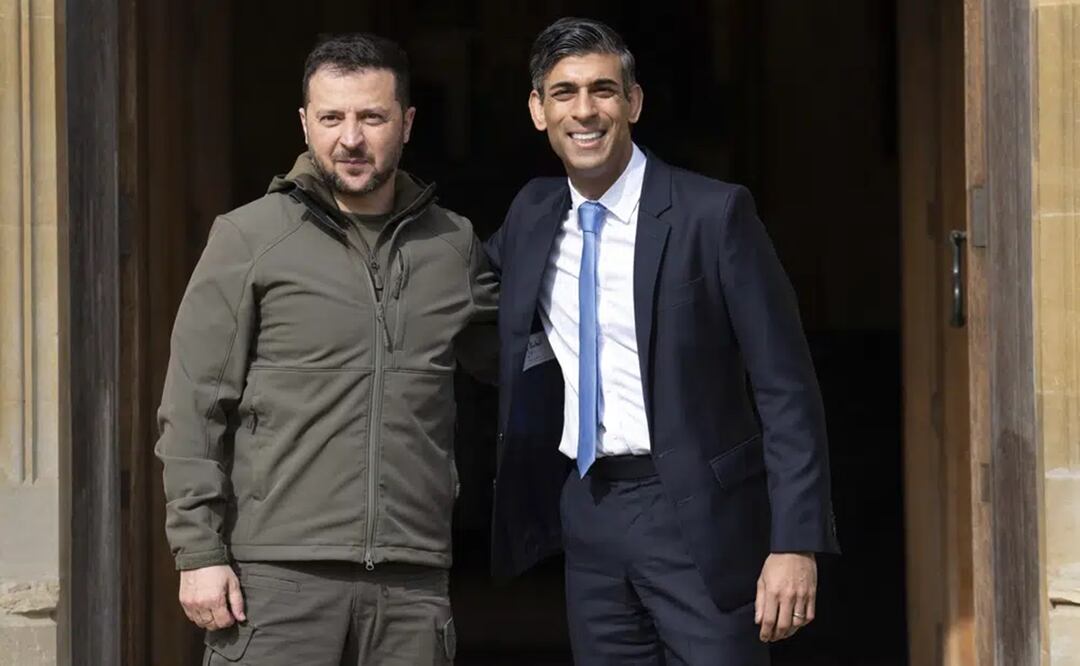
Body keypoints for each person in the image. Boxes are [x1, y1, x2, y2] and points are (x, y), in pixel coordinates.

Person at [486, 17, 840, 665]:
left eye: (603, 90)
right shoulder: (531, 215)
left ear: (635, 102)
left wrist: (795, 541)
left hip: (700, 520)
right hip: (588, 511)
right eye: (563, 93)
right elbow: (461, 303)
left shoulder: (714, 214)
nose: (584, 111)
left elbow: (785, 387)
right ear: (538, 111)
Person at [155, 32, 496, 665]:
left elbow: (517, 360)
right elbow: (194, 404)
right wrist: (199, 552)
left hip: (411, 579)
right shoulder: (248, 238)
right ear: (305, 122)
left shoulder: (453, 246)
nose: (351, 138)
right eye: (332, 117)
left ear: (408, 123)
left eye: (372, 117)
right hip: (276, 578)